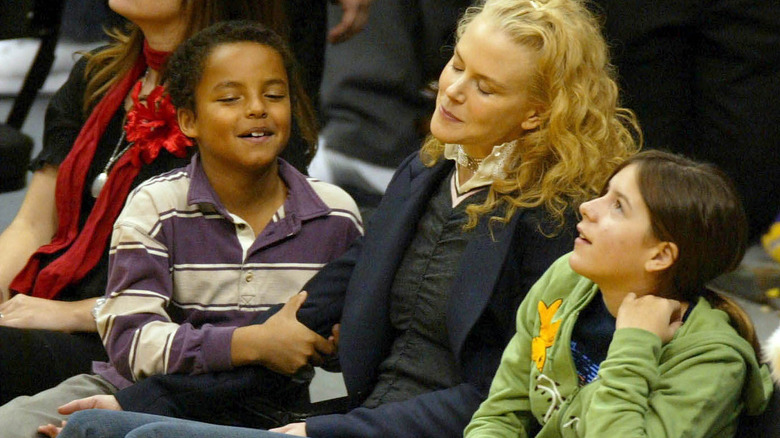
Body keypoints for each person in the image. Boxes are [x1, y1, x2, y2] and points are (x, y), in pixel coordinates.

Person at [45, 0, 641, 437]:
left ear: (535, 116)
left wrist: (320, 435)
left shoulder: (555, 221)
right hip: (357, 418)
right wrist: (146, 400)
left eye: (484, 86)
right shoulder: (426, 172)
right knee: (103, 430)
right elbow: (290, 338)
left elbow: (501, 399)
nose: (452, 91)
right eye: (457, 66)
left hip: (422, 431)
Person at [0, 20, 363, 438]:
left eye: (274, 95)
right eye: (230, 97)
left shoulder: (334, 214)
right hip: (134, 391)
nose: (257, 108)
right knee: (15, 425)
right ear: (188, 120)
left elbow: (352, 341)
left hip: (267, 412)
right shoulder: (156, 206)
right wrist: (251, 344)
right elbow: (132, 343)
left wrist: (337, 345)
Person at [463, 150, 773, 437]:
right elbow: (500, 415)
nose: (587, 207)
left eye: (618, 206)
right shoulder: (566, 279)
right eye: (604, 193)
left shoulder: (711, 362)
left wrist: (635, 346)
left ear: (660, 256)